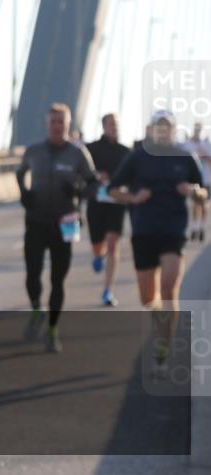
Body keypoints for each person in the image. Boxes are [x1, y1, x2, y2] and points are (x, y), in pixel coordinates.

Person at [108, 111, 208, 375]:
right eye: (159, 127)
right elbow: (113, 190)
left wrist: (194, 191)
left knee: (169, 288)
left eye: (168, 127)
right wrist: (133, 198)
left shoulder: (185, 157)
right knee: (147, 296)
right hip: (144, 231)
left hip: (173, 230)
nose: (163, 131)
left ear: (173, 130)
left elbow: (204, 193)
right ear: (151, 129)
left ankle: (163, 349)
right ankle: (159, 325)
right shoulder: (137, 157)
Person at [15, 102, 100, 353]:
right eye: (53, 121)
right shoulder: (34, 150)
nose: (56, 126)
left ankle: (52, 329)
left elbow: (93, 184)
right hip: (36, 220)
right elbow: (19, 173)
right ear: (47, 123)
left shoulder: (77, 153)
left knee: (58, 279)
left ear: (68, 124)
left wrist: (78, 192)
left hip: (65, 223)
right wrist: (24, 193)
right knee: (32, 274)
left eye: (61, 122)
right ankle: (35, 309)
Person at [85, 113, 131, 306]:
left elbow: (133, 175)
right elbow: (82, 172)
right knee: (98, 243)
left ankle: (107, 291)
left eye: (117, 124)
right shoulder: (91, 149)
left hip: (116, 204)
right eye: (111, 124)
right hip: (96, 203)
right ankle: (97, 254)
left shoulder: (126, 151)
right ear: (103, 126)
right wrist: (97, 175)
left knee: (113, 245)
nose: (115, 127)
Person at [181, 122, 211, 242]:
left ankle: (202, 228)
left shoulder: (206, 144)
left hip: (206, 179)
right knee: (195, 204)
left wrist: (203, 156)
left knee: (204, 205)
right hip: (194, 181)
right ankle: (194, 228)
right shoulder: (187, 145)